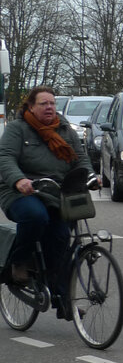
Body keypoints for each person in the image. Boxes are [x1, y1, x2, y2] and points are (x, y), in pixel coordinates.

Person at [0, 86, 95, 319]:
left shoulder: (64, 129)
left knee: (61, 238)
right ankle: (19, 263)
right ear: (31, 107)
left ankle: (62, 299)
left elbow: (80, 158)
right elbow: (5, 157)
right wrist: (18, 179)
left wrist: (91, 175)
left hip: (55, 192)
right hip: (21, 192)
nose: (50, 107)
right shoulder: (17, 129)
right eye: (43, 103)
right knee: (36, 217)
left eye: (52, 103)